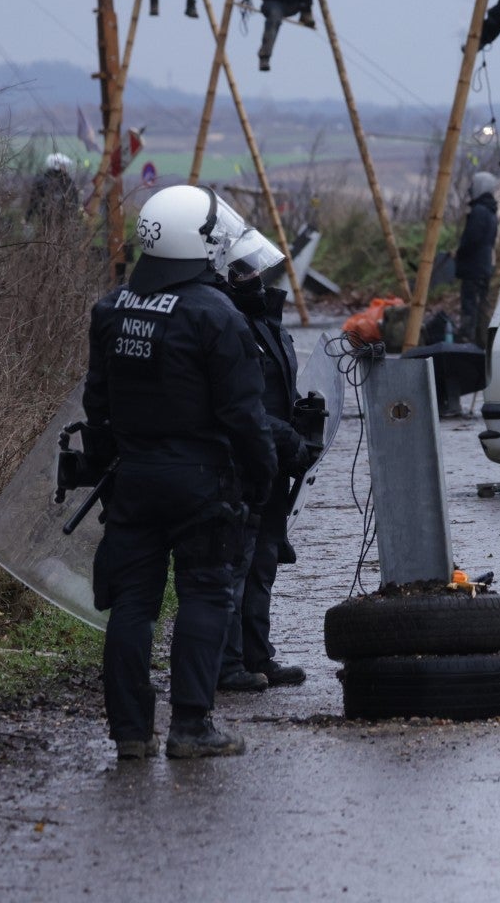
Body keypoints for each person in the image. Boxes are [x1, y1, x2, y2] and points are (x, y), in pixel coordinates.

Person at [81, 184, 276, 759]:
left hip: (133, 479)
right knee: (206, 595)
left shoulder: (110, 308)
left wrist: (109, 464)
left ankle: (130, 734)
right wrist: (263, 476)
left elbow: (98, 404)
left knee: (132, 605)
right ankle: (191, 726)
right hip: (200, 483)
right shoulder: (215, 314)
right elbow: (245, 414)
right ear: (202, 242)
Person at [217, 228, 319, 694]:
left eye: (255, 267)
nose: (255, 276)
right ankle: (227, 663)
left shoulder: (264, 317)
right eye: (242, 270)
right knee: (236, 564)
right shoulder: (224, 322)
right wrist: (285, 437)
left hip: (273, 462)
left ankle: (257, 656)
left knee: (264, 562)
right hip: (242, 463)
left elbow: (275, 390)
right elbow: (239, 405)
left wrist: (303, 415)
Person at [454, 170, 500, 346]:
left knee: (470, 305)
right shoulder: (491, 211)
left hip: (473, 267)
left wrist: (460, 252)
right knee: (482, 305)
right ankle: (482, 341)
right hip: (484, 266)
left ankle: (467, 341)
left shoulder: (479, 211)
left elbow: (471, 239)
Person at [27, 152, 78, 229]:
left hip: (50, 220)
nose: (65, 168)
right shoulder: (66, 182)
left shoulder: (43, 180)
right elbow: (35, 201)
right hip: (53, 220)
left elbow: (33, 201)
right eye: (63, 166)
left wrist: (28, 218)